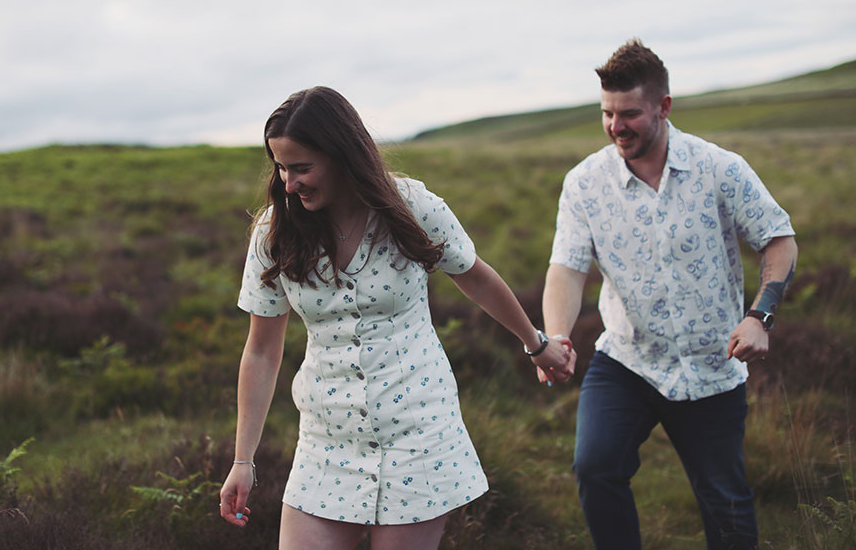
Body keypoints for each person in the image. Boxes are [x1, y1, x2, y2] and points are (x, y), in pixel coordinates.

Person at [219, 86, 575, 549]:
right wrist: (242, 460)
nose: (289, 183)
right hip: (327, 441)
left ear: (342, 155)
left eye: (302, 168)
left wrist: (537, 344)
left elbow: (475, 277)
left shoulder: (411, 205)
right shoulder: (274, 232)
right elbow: (262, 352)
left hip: (418, 434)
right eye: (281, 167)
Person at [541, 40, 798, 549]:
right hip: (628, 362)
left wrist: (759, 317)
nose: (616, 126)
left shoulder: (719, 168)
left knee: (726, 502)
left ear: (663, 107)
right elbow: (566, 270)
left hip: (712, 365)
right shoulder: (584, 184)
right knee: (595, 468)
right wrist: (556, 336)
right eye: (606, 114)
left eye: (630, 113)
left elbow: (779, 239)